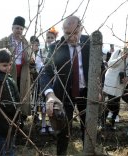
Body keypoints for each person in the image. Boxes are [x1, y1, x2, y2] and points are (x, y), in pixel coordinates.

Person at [40, 16, 91, 155]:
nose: (72, 37)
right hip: (63, 94)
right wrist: (50, 95)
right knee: (63, 131)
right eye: (68, 33)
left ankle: (88, 151)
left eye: (75, 33)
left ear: (81, 29)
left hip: (87, 93)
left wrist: (98, 87)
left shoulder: (90, 43)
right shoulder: (55, 47)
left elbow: (99, 67)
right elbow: (45, 72)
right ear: (63, 31)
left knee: (88, 128)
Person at [0, 16, 33, 120]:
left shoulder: (26, 42)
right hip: (9, 72)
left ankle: (21, 116)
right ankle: (9, 115)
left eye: (21, 29)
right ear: (12, 28)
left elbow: (30, 58)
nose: (19, 31)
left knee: (22, 93)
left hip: (23, 72)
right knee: (10, 93)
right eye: (17, 28)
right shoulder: (4, 41)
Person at [102, 37, 128, 130]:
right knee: (111, 101)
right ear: (127, 43)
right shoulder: (119, 51)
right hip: (111, 79)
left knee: (117, 102)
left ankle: (112, 122)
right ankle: (102, 121)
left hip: (121, 82)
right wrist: (121, 58)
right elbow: (110, 63)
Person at [0, 48, 20, 156]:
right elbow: (11, 103)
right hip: (7, 119)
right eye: (5, 65)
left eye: (10, 64)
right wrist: (17, 115)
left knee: (0, 140)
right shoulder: (3, 81)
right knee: (7, 144)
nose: (8, 68)